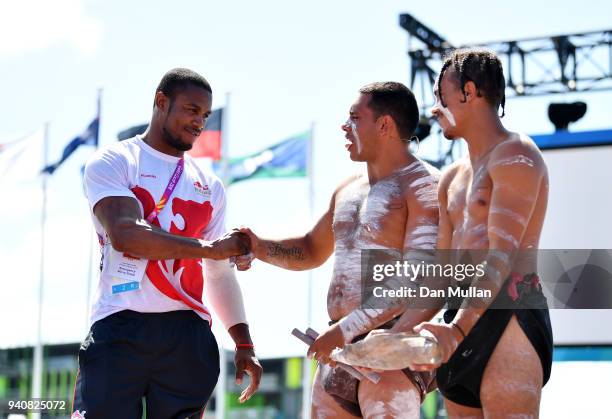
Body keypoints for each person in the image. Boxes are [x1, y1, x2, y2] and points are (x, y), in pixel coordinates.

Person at [238, 82, 440, 418]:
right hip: (338, 350)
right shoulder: (347, 189)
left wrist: (343, 331)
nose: (344, 126)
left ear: (385, 125)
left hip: (391, 349)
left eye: (354, 117)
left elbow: (416, 278)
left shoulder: (423, 184)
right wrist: (259, 247)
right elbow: (311, 249)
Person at [72, 68, 262, 419]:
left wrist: (243, 342)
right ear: (161, 101)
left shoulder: (209, 184)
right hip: (120, 326)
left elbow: (218, 274)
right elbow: (125, 233)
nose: (199, 122)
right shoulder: (115, 161)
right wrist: (210, 248)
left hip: (187, 335)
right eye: (192, 110)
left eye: (205, 115)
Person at [393, 49, 553, 417]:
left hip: (510, 311)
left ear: (468, 91)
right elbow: (441, 274)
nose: (433, 108)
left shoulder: (517, 154)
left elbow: (502, 255)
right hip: (458, 319)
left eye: (440, 96)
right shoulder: (451, 177)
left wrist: (457, 331)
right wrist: (396, 335)